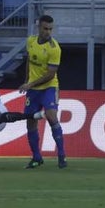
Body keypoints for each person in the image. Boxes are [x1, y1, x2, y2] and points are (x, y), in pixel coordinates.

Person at [18, 14, 67, 169]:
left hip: (49, 87)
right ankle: (36, 157)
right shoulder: (30, 41)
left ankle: (61, 155)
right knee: (30, 122)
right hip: (33, 89)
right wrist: (26, 81)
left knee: (52, 117)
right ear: (38, 27)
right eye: (45, 28)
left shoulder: (54, 48)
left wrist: (30, 83)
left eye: (50, 29)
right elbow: (29, 62)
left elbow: (50, 74)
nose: (48, 32)